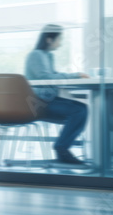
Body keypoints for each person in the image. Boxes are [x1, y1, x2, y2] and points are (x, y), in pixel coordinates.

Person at [24, 24, 89, 166]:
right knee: (79, 110)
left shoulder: (48, 56)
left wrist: (73, 77)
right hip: (39, 102)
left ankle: (62, 148)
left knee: (81, 109)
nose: (60, 43)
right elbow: (46, 77)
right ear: (49, 39)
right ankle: (62, 149)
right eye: (59, 39)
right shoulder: (36, 55)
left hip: (47, 99)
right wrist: (75, 75)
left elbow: (52, 76)